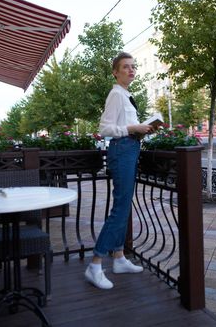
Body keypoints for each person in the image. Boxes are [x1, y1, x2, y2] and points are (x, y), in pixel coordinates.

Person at [85, 52, 153, 289]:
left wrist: (141, 129)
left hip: (129, 149)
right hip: (122, 150)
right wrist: (133, 127)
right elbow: (104, 129)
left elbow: (124, 127)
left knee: (123, 207)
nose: (131, 70)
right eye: (126, 67)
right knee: (120, 209)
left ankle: (119, 258)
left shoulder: (126, 94)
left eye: (133, 66)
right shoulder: (115, 94)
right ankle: (95, 264)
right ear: (115, 72)